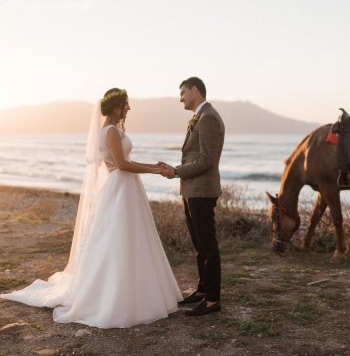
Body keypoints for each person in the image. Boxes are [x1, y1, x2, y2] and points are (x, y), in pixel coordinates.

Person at [0, 88, 182, 328]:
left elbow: (123, 163)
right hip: (121, 188)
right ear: (117, 106)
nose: (129, 108)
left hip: (125, 187)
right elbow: (121, 164)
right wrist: (154, 170)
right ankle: (113, 296)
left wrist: (153, 166)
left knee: (128, 238)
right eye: (126, 104)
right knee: (117, 239)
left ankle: (132, 288)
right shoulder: (110, 132)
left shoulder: (112, 130)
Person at [160, 77, 225, 316]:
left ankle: (212, 300)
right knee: (200, 245)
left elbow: (206, 160)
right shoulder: (199, 117)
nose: (180, 98)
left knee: (207, 245)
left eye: (183, 93)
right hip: (191, 190)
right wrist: (177, 171)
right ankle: (202, 290)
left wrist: (176, 171)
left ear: (195, 90)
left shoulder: (209, 118)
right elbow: (194, 156)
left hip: (202, 191)